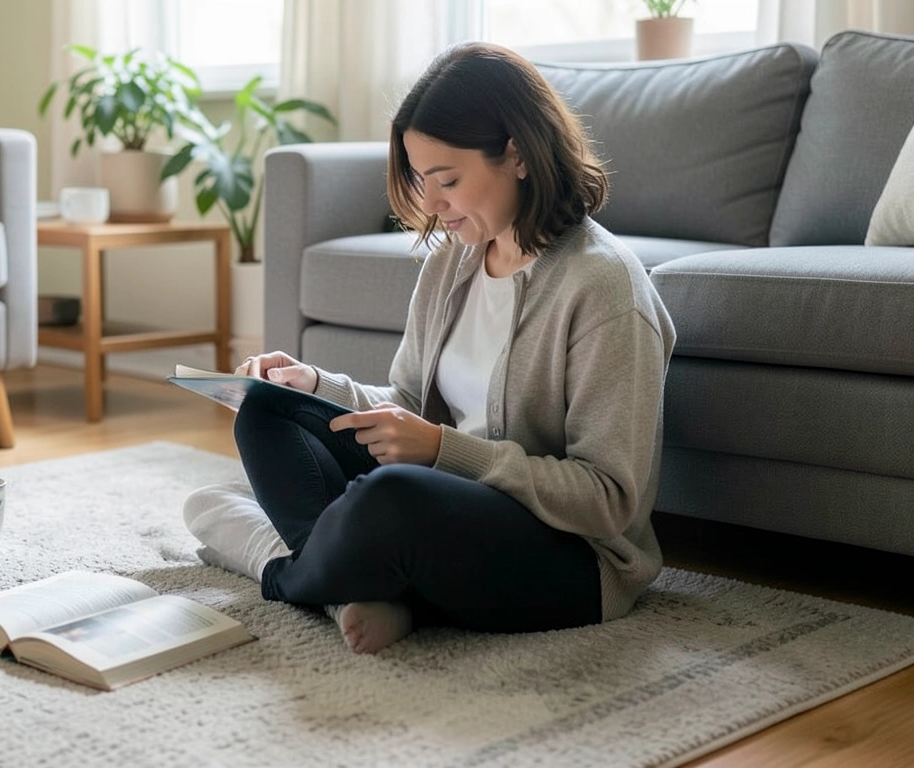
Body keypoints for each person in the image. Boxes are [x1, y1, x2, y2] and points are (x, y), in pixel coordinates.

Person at [183, 41, 676, 655]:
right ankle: (356, 585)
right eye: (420, 180)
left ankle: (284, 570)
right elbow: (408, 404)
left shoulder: (603, 288)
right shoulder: (454, 260)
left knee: (388, 498)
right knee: (266, 407)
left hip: (568, 555)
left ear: (518, 155)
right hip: (445, 505)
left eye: (448, 180)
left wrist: (445, 451)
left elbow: (609, 500)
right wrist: (314, 386)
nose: (431, 204)